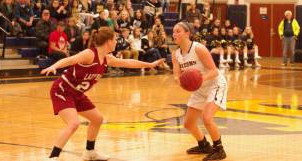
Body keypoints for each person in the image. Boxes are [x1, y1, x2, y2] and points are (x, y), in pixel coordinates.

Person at [41, 26, 165, 160]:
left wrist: (150, 65)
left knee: (97, 119)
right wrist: (54, 66)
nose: (117, 42)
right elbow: (69, 60)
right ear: (108, 41)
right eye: (115, 39)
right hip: (63, 90)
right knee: (74, 123)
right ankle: (53, 157)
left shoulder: (107, 58)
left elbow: (129, 62)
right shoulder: (90, 54)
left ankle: (89, 152)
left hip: (77, 93)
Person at [172, 22, 227, 161]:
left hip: (215, 84)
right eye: (173, 32)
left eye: (178, 31)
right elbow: (177, 75)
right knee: (188, 124)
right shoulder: (176, 54)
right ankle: (203, 145)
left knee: (207, 118)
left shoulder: (198, 48)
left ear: (187, 33)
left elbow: (214, 71)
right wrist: (179, 81)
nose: (174, 34)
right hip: (200, 88)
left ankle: (219, 149)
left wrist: (199, 79)